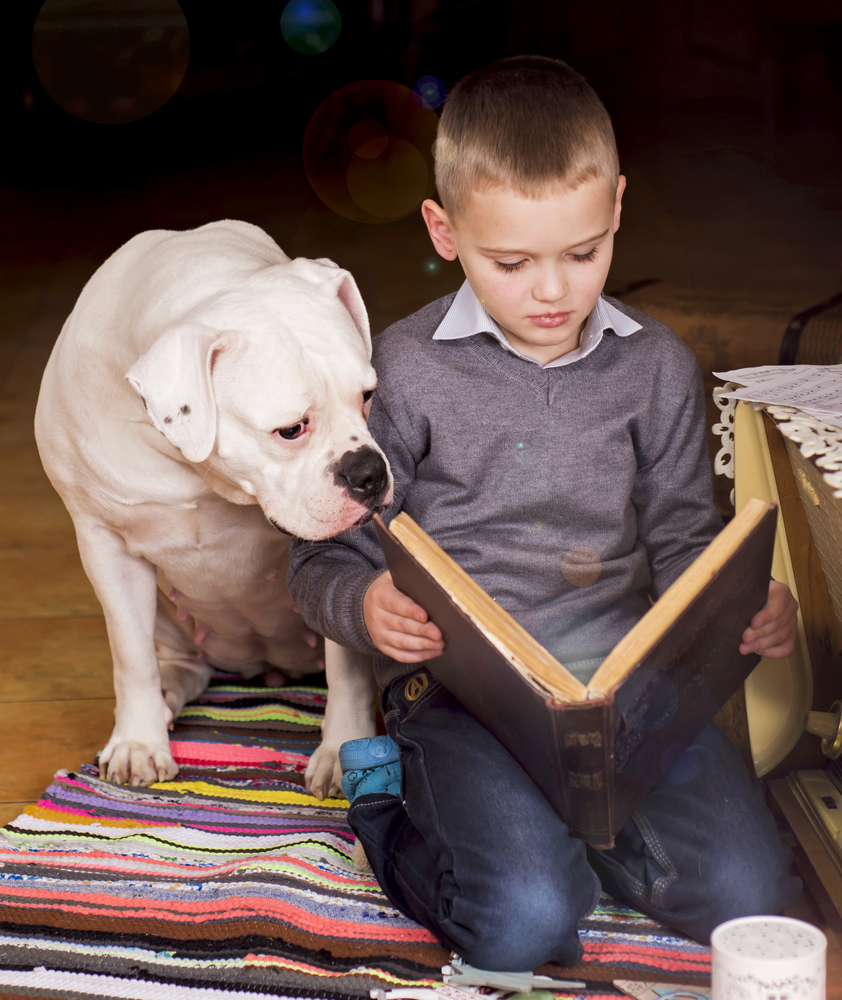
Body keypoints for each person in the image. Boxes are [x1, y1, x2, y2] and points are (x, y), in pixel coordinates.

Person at [287, 54, 801, 971]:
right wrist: (366, 610)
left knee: (753, 902)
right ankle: (382, 803)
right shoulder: (401, 372)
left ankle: (575, 829)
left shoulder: (656, 369)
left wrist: (746, 608)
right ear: (444, 232)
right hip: (462, 699)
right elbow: (320, 555)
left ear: (616, 208)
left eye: (584, 253)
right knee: (524, 923)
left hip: (630, 702)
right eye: (512, 262)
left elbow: (687, 541)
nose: (554, 292)